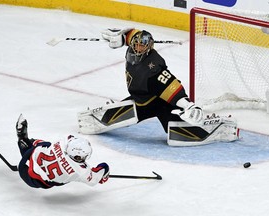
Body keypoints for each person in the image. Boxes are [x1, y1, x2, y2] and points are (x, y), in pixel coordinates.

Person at [77, 28, 239, 146]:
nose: (138, 47)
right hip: (141, 99)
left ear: (149, 47)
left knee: (176, 133)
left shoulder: (153, 67)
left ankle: (218, 128)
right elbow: (132, 34)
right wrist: (121, 36)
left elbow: (170, 86)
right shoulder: (133, 49)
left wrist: (188, 105)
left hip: (159, 102)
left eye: (142, 46)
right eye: (136, 44)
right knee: (118, 115)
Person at [16, 114, 110, 189]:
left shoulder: (63, 142)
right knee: (62, 178)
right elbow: (96, 178)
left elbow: (70, 140)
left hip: (33, 155)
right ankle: (27, 144)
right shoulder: (81, 171)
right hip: (34, 180)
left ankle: (24, 139)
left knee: (44, 145)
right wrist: (104, 172)